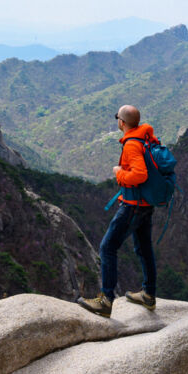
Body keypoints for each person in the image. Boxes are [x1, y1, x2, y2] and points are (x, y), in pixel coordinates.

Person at [77, 104, 157, 317]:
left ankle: (105, 300)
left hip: (132, 206)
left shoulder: (132, 144)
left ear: (121, 122)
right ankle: (149, 294)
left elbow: (139, 175)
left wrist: (118, 173)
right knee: (144, 248)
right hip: (145, 204)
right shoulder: (146, 137)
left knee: (107, 247)